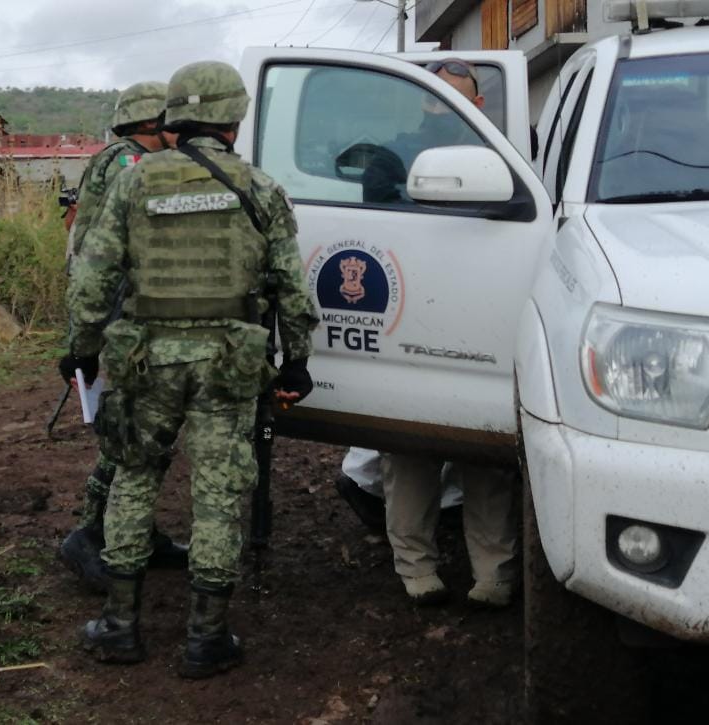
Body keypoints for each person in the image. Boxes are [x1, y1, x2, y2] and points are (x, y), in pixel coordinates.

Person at [64, 60, 319, 679]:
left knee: (132, 479)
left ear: (177, 117)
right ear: (234, 119)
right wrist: (298, 361)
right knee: (218, 493)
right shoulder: (259, 188)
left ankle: (120, 628)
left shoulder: (134, 181)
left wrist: (84, 346)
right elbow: (291, 285)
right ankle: (205, 639)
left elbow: (93, 275)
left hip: (145, 357)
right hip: (228, 363)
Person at [374, 60, 519, 608]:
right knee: (408, 453)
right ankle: (417, 571)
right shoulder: (389, 156)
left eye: (459, 101)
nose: (446, 112)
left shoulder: (509, 156)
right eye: (437, 100)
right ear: (424, 102)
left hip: (487, 323)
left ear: (477, 107)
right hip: (411, 321)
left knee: (486, 453)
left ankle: (494, 575)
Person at [59, 80, 188, 592]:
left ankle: (137, 531)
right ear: (153, 125)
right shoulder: (129, 164)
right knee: (130, 426)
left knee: (144, 428)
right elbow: (109, 249)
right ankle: (91, 533)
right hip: (120, 311)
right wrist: (83, 338)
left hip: (121, 307)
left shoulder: (120, 158)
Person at [361, 59, 487, 204]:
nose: (437, 110)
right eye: (431, 100)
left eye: (451, 102)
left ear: (476, 105)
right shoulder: (396, 155)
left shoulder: (491, 155)